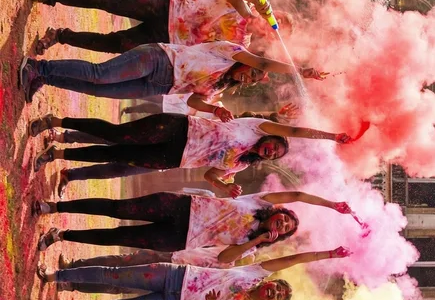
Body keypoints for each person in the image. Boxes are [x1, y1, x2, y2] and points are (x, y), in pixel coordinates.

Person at [37, 247, 348, 300]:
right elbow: (293, 259)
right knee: (113, 275)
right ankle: (56, 276)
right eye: (277, 288)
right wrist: (329, 255)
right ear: (270, 282)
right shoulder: (253, 273)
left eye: (277, 297)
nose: (274, 293)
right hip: (174, 276)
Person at [27, 115, 353, 193]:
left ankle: (58, 154)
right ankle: (56, 123)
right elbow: (296, 131)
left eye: (274, 155)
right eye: (275, 145)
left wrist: (223, 186)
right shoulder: (256, 128)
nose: (271, 150)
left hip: (174, 159)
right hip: (178, 129)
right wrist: (331, 136)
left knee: (117, 157)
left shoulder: (241, 164)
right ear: (270, 136)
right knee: (115, 134)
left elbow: (210, 175)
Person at [33, 186, 354, 256]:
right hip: (180, 207)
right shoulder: (260, 203)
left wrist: (256, 241)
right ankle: (54, 206)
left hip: (179, 238)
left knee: (117, 237)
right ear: (279, 213)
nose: (282, 225)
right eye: (285, 220)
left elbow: (225, 258)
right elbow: (297, 194)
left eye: (285, 230)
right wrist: (331, 204)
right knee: (119, 208)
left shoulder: (255, 245)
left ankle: (61, 236)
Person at [21, 35, 316, 105]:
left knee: (96, 89)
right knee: (100, 74)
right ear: (250, 63)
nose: (248, 77)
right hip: (160, 60)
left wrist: (215, 112)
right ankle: (36, 66)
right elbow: (263, 63)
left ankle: (46, 77)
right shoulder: (231, 52)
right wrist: (298, 70)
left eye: (252, 80)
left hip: (158, 86)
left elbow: (194, 100)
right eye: (252, 72)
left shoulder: (222, 86)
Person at [28, 0, 270, 56]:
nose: (265, 29)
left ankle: (59, 36)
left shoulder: (241, 46)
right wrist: (251, 9)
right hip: (166, 5)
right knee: (105, 0)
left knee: (112, 44)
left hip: (166, 38)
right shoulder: (244, 3)